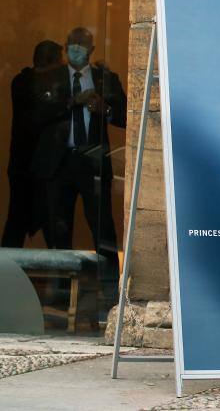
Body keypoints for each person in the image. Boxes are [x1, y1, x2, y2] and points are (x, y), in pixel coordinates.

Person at [29, 27, 126, 315]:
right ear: (65, 45)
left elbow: (125, 116)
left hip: (93, 161)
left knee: (103, 229)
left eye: (83, 44)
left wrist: (104, 108)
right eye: (73, 43)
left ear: (92, 48)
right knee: (59, 229)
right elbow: (37, 114)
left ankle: (110, 296)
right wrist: (73, 101)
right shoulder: (50, 78)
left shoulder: (106, 79)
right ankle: (58, 296)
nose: (77, 48)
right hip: (59, 164)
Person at [2, 40, 63, 247]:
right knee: (30, 223)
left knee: (26, 223)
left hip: (32, 165)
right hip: (31, 166)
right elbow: (40, 114)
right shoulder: (25, 83)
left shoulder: (22, 82)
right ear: (50, 61)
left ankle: (8, 274)